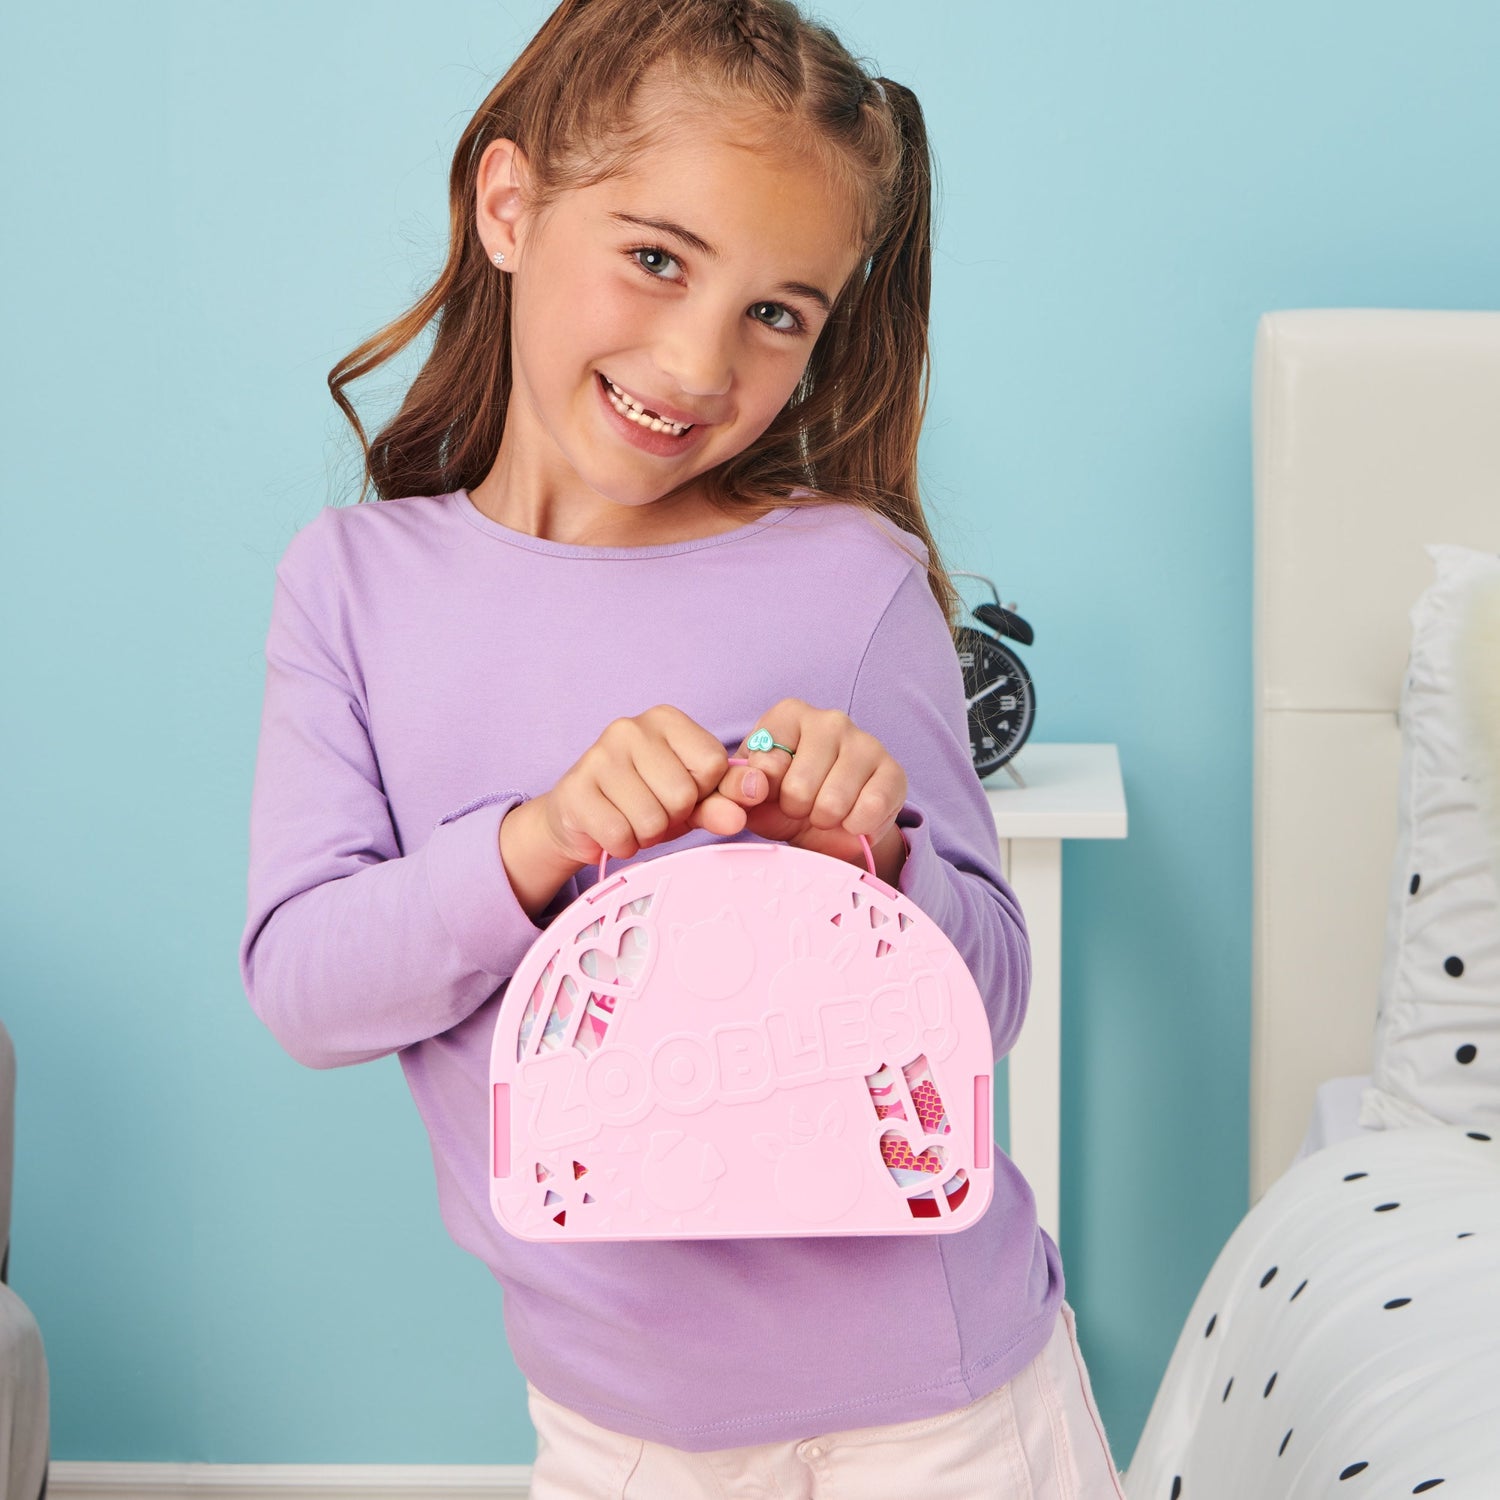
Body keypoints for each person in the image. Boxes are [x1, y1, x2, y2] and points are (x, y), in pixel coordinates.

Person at [238, 0, 1126, 1493]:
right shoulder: (354, 589)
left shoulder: (849, 581)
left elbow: (990, 1001)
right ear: (510, 204)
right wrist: (535, 842)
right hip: (620, 1433)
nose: (700, 362)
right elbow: (305, 989)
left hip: (953, 1414)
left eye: (779, 313)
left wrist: (876, 864)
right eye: (657, 258)